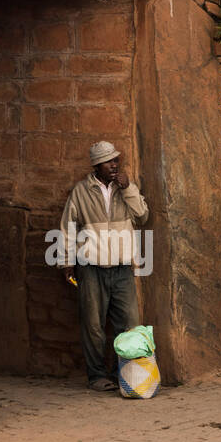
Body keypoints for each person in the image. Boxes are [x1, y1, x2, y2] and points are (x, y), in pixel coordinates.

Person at [59, 141, 149, 392]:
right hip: (91, 267)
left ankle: (126, 374)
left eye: (115, 160)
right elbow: (68, 227)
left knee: (129, 323)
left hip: (121, 267)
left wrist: (129, 188)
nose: (114, 164)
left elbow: (143, 216)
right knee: (93, 325)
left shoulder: (125, 189)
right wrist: (66, 262)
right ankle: (97, 376)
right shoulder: (81, 191)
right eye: (108, 161)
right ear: (96, 165)